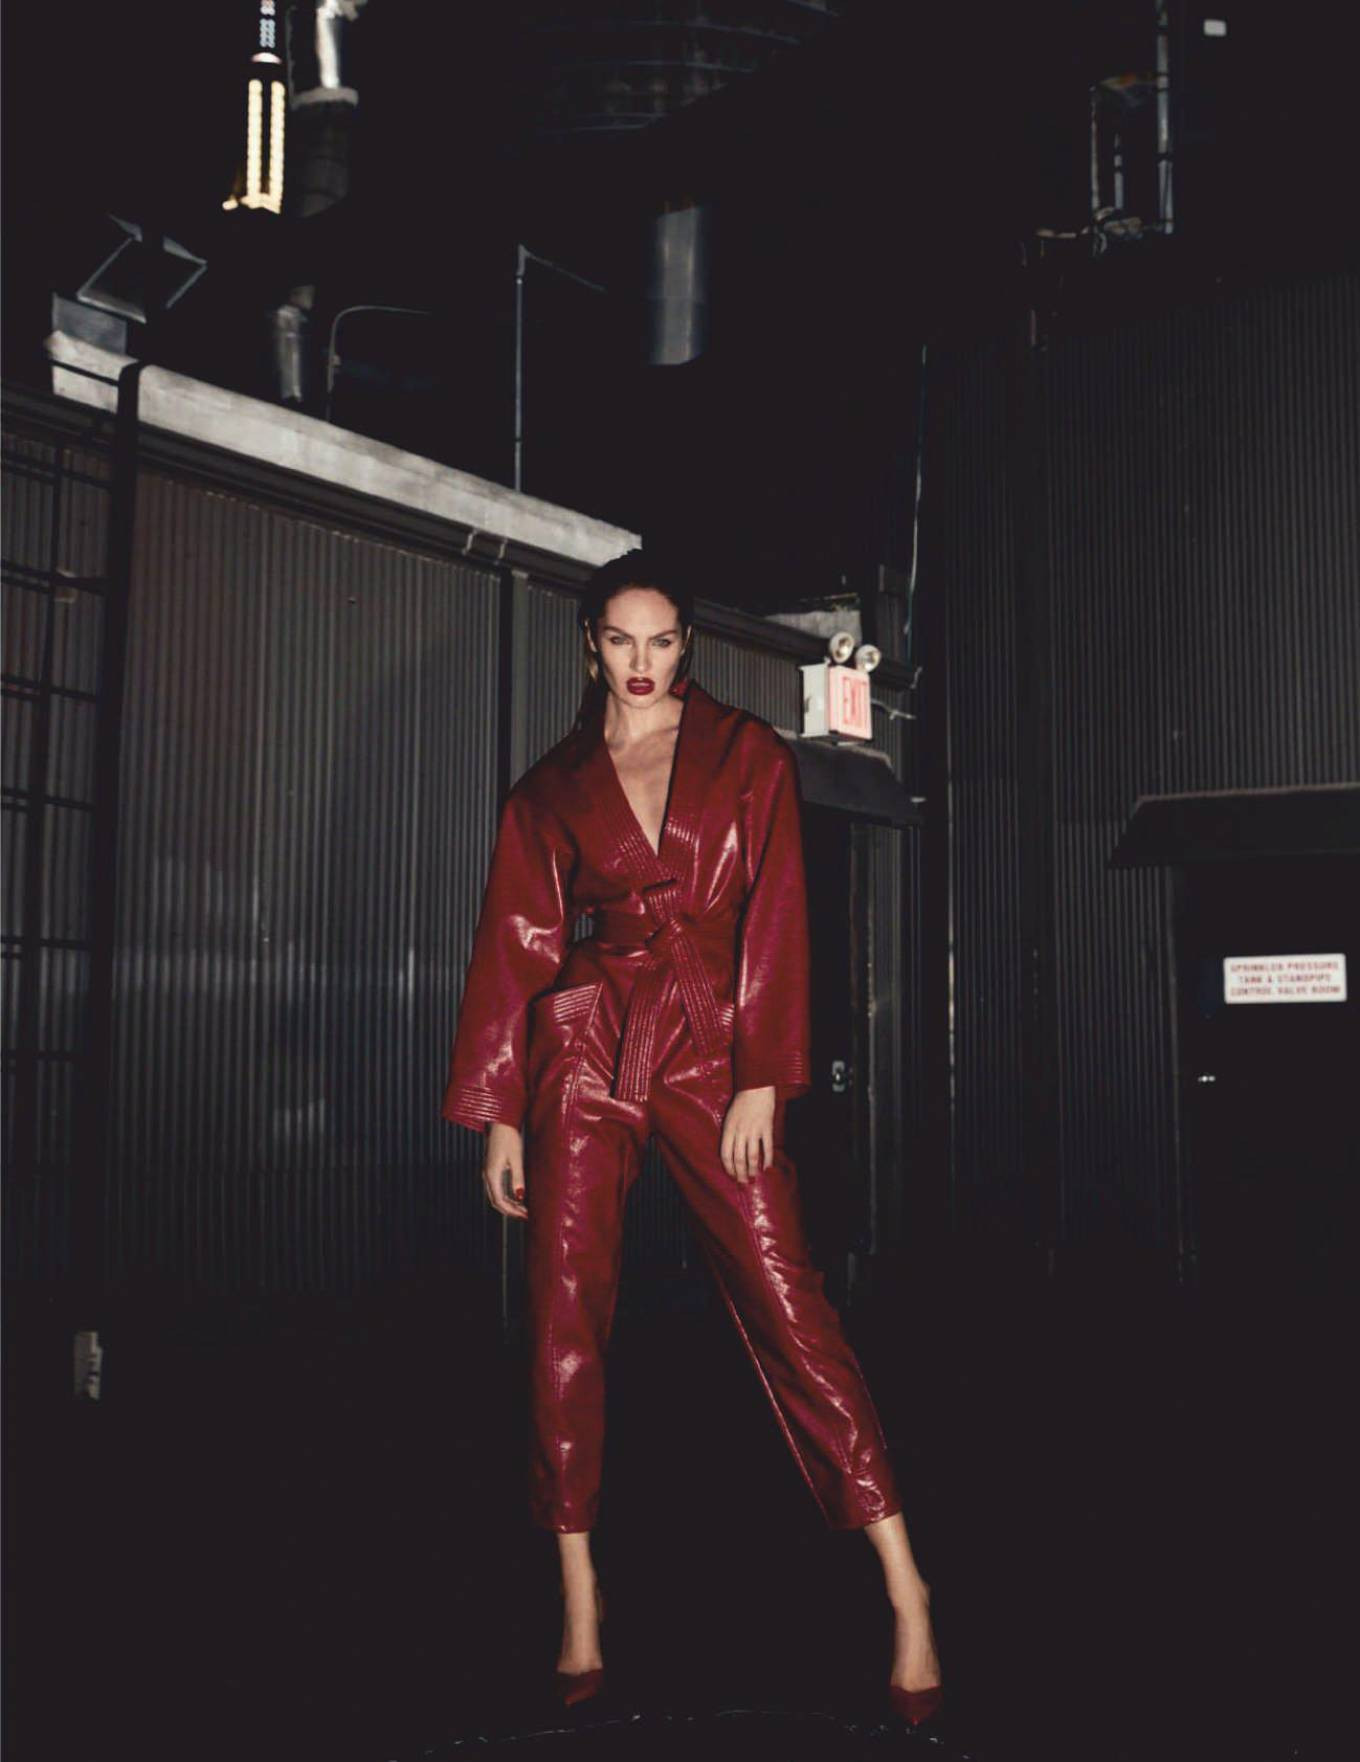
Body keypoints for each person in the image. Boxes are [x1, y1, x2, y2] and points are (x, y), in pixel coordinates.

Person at [442, 550, 943, 1724]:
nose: (641, 662)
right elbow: (516, 943)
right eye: (620, 639)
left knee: (785, 1294)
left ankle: (905, 1584)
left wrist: (763, 1077)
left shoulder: (744, 754)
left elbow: (776, 914)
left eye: (661, 640)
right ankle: (578, 1595)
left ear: (686, 647)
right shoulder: (550, 787)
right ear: (590, 645)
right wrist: (501, 1109)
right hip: (582, 1041)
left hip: (711, 1041)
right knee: (562, 1308)